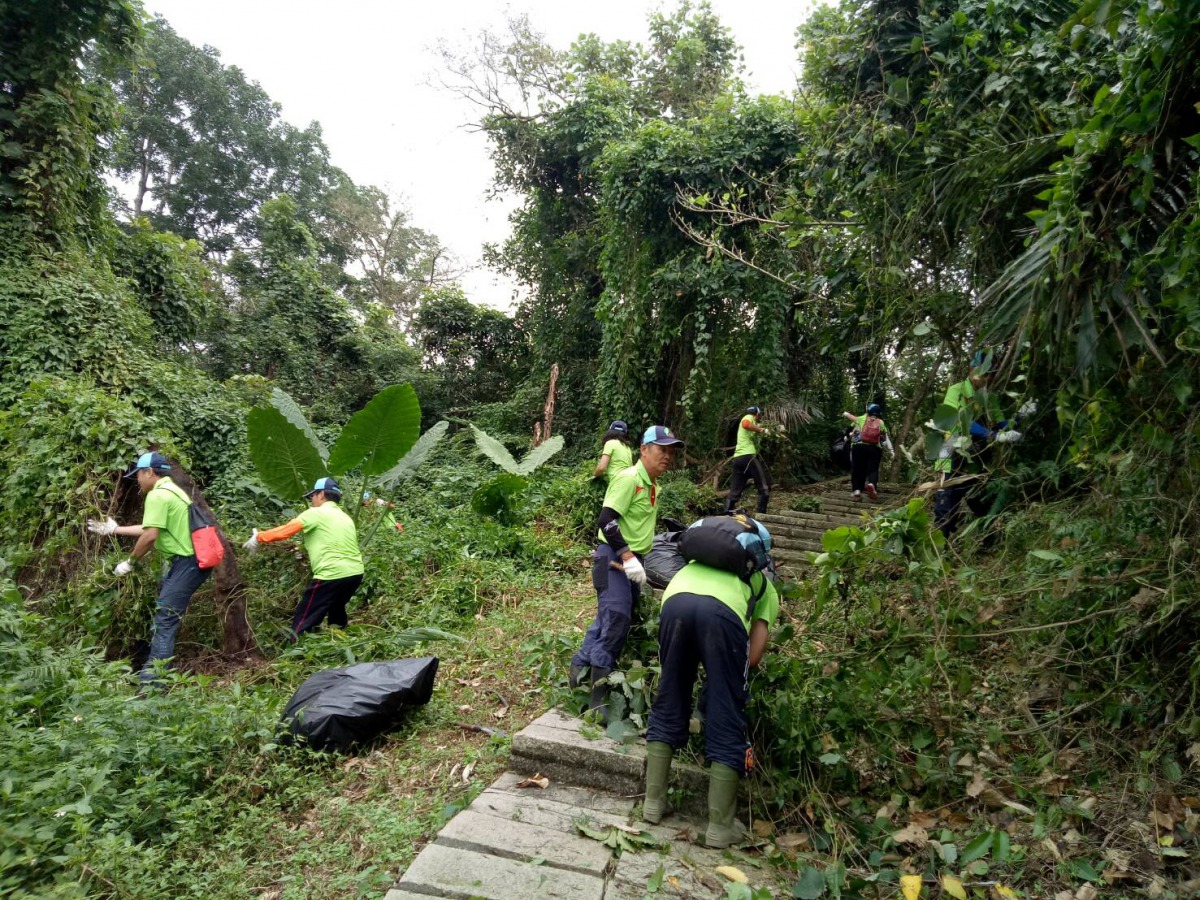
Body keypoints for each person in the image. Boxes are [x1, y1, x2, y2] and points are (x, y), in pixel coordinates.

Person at [640, 533, 780, 849]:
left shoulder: (693, 565)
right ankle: (719, 826)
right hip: (723, 614)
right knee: (727, 706)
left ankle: (652, 804)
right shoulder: (764, 586)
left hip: (675, 600)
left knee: (670, 693)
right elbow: (752, 657)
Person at [570, 425, 686, 723]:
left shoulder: (652, 485)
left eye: (671, 452)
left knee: (611, 615)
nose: (668, 457)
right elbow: (606, 520)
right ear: (644, 449)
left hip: (632, 561)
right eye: (662, 450)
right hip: (613, 559)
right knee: (618, 616)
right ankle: (596, 701)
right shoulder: (629, 478)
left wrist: (639, 560)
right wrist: (627, 555)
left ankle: (578, 671)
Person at [87, 452, 211, 684]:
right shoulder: (172, 490)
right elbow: (151, 527)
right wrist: (114, 530)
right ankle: (154, 672)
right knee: (164, 614)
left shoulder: (157, 496)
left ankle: (152, 684)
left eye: (139, 476)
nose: (137, 481)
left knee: (165, 619)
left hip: (188, 563)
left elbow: (150, 536)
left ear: (149, 473)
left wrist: (129, 562)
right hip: (189, 562)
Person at [243, 476, 365, 638]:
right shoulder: (345, 517)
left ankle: (294, 646)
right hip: (355, 573)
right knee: (337, 606)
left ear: (321, 494)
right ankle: (341, 635)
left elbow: (286, 531)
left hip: (331, 574)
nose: (311, 500)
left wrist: (259, 537)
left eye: (312, 496)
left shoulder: (315, 513)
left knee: (306, 615)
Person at [932, 355, 1033, 535]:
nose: (986, 379)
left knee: (980, 496)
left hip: (975, 453)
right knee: (945, 496)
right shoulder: (957, 390)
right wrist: (993, 435)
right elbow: (960, 419)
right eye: (983, 374)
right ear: (971, 370)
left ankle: (987, 540)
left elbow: (1001, 424)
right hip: (948, 449)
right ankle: (940, 546)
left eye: (990, 375)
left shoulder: (990, 397)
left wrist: (1019, 416)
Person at [725, 406, 772, 514]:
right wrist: (761, 430)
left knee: (735, 489)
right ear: (757, 414)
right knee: (763, 486)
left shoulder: (753, 424)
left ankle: (726, 514)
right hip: (748, 456)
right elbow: (746, 424)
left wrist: (771, 429)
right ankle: (762, 516)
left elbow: (758, 427)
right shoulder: (748, 417)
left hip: (738, 458)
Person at [841, 402, 893, 501]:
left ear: (868, 411)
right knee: (873, 469)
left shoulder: (861, 419)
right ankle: (872, 484)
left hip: (858, 447)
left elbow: (850, 425)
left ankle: (857, 490)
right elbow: (884, 438)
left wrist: (846, 414)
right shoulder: (880, 422)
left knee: (857, 469)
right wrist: (889, 449)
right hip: (874, 448)